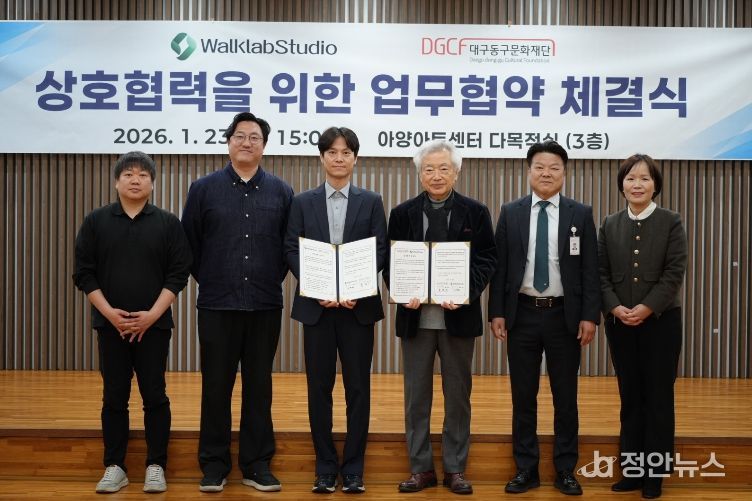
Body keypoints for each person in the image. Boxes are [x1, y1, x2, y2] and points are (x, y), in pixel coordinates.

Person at [181, 112, 294, 493]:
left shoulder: (281, 192)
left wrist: (266, 278)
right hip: (217, 304)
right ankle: (214, 465)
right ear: (228, 142)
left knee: (259, 387)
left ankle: (257, 464)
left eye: (255, 137)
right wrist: (215, 278)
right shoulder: (203, 189)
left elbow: (287, 248)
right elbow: (190, 245)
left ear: (264, 146)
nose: (247, 142)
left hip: (264, 304)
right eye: (240, 136)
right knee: (216, 386)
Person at [73, 151, 192, 494]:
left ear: (152, 183)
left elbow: (178, 274)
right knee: (114, 396)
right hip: (110, 326)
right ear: (116, 182)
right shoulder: (96, 221)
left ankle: (156, 465)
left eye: (142, 175)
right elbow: (83, 273)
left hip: (154, 327)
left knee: (154, 395)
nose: (135, 180)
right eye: (128, 174)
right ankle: (115, 466)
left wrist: (152, 315)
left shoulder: (168, 223)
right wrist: (110, 314)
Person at [384, 140, 496, 495]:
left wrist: (465, 293)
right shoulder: (401, 213)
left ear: (456, 172)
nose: (436, 175)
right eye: (429, 169)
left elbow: (487, 259)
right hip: (415, 320)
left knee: (457, 396)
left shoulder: (476, 212)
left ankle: (455, 468)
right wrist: (402, 290)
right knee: (416, 397)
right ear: (420, 174)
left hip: (458, 320)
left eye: (443, 168)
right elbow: (391, 262)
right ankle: (420, 469)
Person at [488, 140, 600, 496]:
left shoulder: (580, 213)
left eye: (554, 168)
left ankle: (565, 469)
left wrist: (590, 316)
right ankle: (526, 469)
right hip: (521, 314)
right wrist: (497, 312)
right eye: (539, 167)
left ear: (564, 173)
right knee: (523, 396)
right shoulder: (511, 212)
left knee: (565, 397)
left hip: (563, 316)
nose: (546, 173)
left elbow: (590, 269)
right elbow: (500, 267)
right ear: (529, 171)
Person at [284, 126, 387, 494]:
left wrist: (357, 287)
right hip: (318, 309)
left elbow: (380, 248)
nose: (339, 158)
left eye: (345, 152)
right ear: (322, 157)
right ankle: (325, 467)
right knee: (319, 389)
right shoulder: (302, 201)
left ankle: (354, 468)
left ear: (355, 158)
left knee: (358, 389)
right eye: (332, 152)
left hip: (358, 309)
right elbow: (291, 248)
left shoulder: (371, 200)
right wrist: (318, 287)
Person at [598, 154, 687, 499]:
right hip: (619, 322)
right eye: (631, 178)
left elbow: (674, 272)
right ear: (622, 185)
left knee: (658, 397)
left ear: (655, 185)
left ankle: (655, 475)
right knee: (630, 396)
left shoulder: (671, 221)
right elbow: (601, 273)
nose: (637, 184)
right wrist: (614, 307)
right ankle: (633, 471)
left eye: (645, 179)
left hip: (661, 323)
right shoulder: (609, 224)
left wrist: (647, 308)